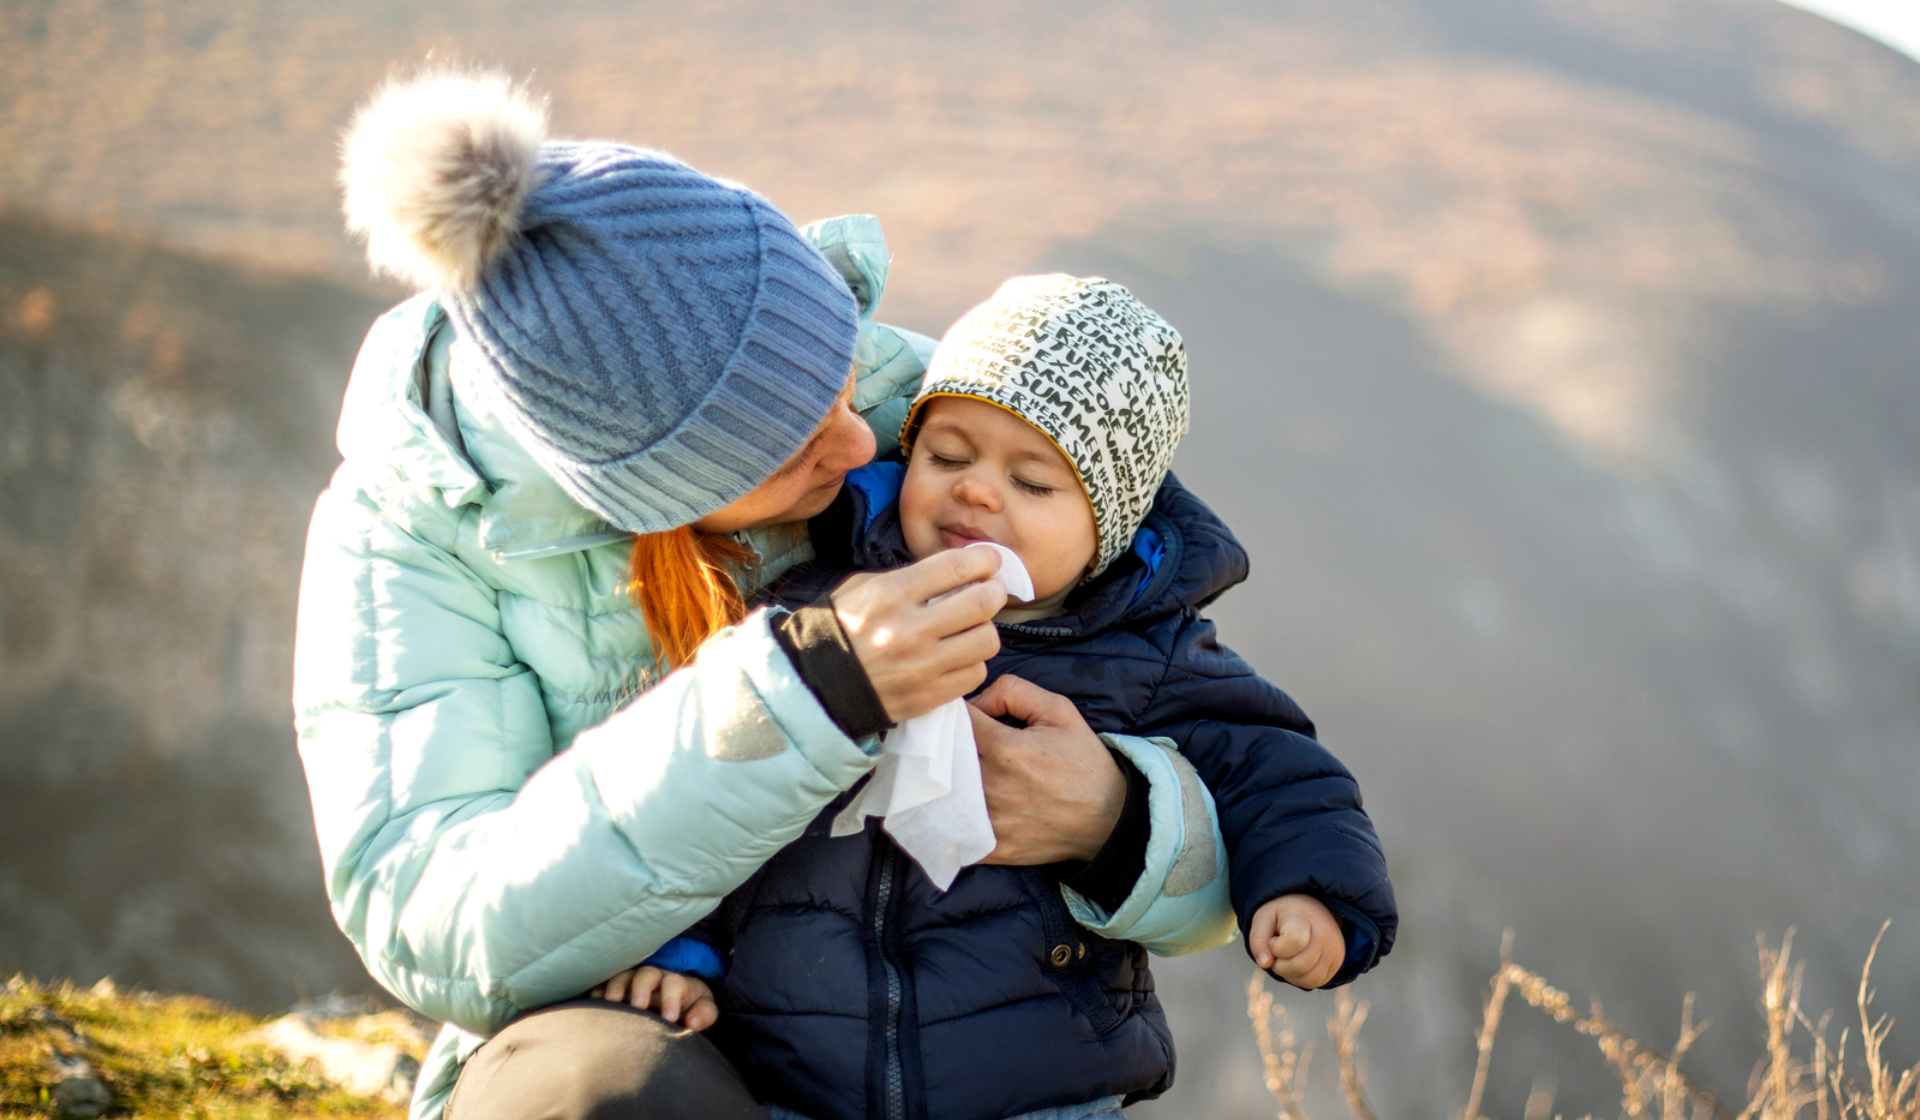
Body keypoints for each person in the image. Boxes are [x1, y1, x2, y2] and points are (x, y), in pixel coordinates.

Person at [292, 70, 1240, 1120]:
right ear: (652, 489)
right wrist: (804, 694)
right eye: (793, 443)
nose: (860, 437)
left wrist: (1120, 816)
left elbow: (1227, 764)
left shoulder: (942, 419)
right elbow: (433, 918)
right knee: (598, 1100)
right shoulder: (417, 537)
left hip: (946, 1047)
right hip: (646, 1029)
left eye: (839, 373)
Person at [586, 276, 1397, 1120]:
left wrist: (1312, 895)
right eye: (947, 457)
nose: (976, 491)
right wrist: (679, 954)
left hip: (1035, 1083)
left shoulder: (1151, 657)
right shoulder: (823, 608)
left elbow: (1282, 776)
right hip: (789, 1069)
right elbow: (708, 777)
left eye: (1033, 483)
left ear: (1107, 527)